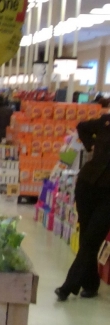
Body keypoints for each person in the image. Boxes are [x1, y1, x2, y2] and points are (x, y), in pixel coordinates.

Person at [55, 100, 110, 301]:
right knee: (87, 236)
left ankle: (69, 286)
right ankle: (91, 283)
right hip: (87, 186)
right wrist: (90, 146)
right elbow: (82, 127)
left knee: (91, 239)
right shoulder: (105, 122)